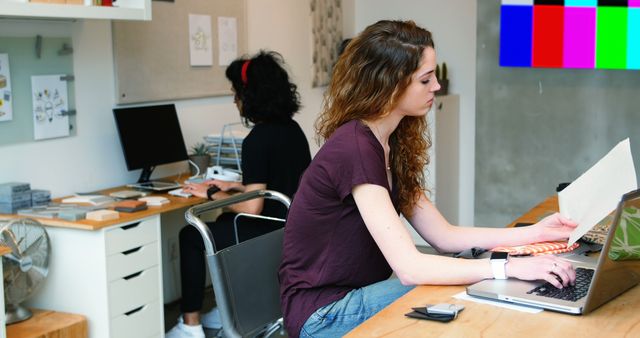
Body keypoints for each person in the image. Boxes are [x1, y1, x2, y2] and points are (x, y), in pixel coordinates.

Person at [278, 20, 578, 338]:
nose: (436, 85)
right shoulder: (355, 148)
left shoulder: (390, 142)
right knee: (478, 287)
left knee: (481, 283)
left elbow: (443, 236)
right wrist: (508, 267)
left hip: (356, 297)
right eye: (425, 79)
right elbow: (411, 268)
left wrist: (537, 233)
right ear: (389, 85)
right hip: (324, 313)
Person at [167, 51, 311, 338]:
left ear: (250, 95)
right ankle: (228, 310)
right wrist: (234, 188)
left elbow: (253, 207)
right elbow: (275, 186)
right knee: (222, 221)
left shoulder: (257, 139)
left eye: (236, 92)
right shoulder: (292, 130)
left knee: (191, 236)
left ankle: (190, 324)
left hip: (265, 234)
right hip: (290, 231)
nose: (235, 100)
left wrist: (209, 192)